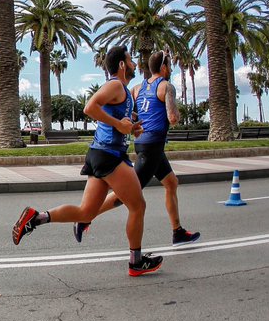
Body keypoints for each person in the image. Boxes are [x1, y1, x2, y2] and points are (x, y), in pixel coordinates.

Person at [11, 45, 163, 277]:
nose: (134, 64)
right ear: (122, 64)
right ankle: (136, 261)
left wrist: (130, 127)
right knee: (138, 205)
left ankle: (37, 218)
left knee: (86, 213)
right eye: (131, 60)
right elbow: (89, 108)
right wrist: (118, 125)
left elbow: (114, 119)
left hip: (101, 154)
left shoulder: (120, 90)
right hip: (110, 155)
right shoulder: (114, 84)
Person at [64, 52, 201, 246]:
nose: (170, 69)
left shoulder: (138, 87)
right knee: (127, 197)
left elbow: (128, 110)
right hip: (152, 145)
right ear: (163, 68)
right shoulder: (166, 86)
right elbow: (172, 117)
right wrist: (174, 114)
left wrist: (135, 121)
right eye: (169, 66)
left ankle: (177, 231)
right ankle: (85, 218)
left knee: (171, 182)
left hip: (146, 143)